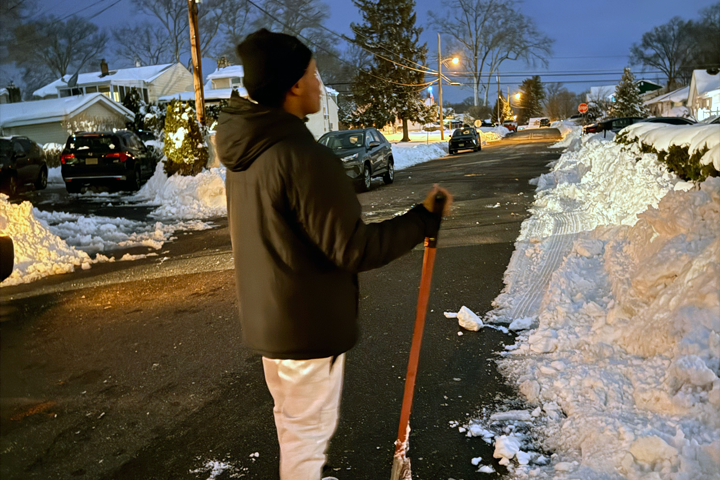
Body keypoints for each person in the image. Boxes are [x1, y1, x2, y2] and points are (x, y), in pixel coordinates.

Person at [216, 29, 452, 480]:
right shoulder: (305, 158)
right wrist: (422, 219)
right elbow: (354, 248)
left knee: (293, 429)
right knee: (305, 443)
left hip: (271, 325)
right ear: (292, 85)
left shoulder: (245, 156)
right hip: (306, 330)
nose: (319, 83)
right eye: (313, 73)